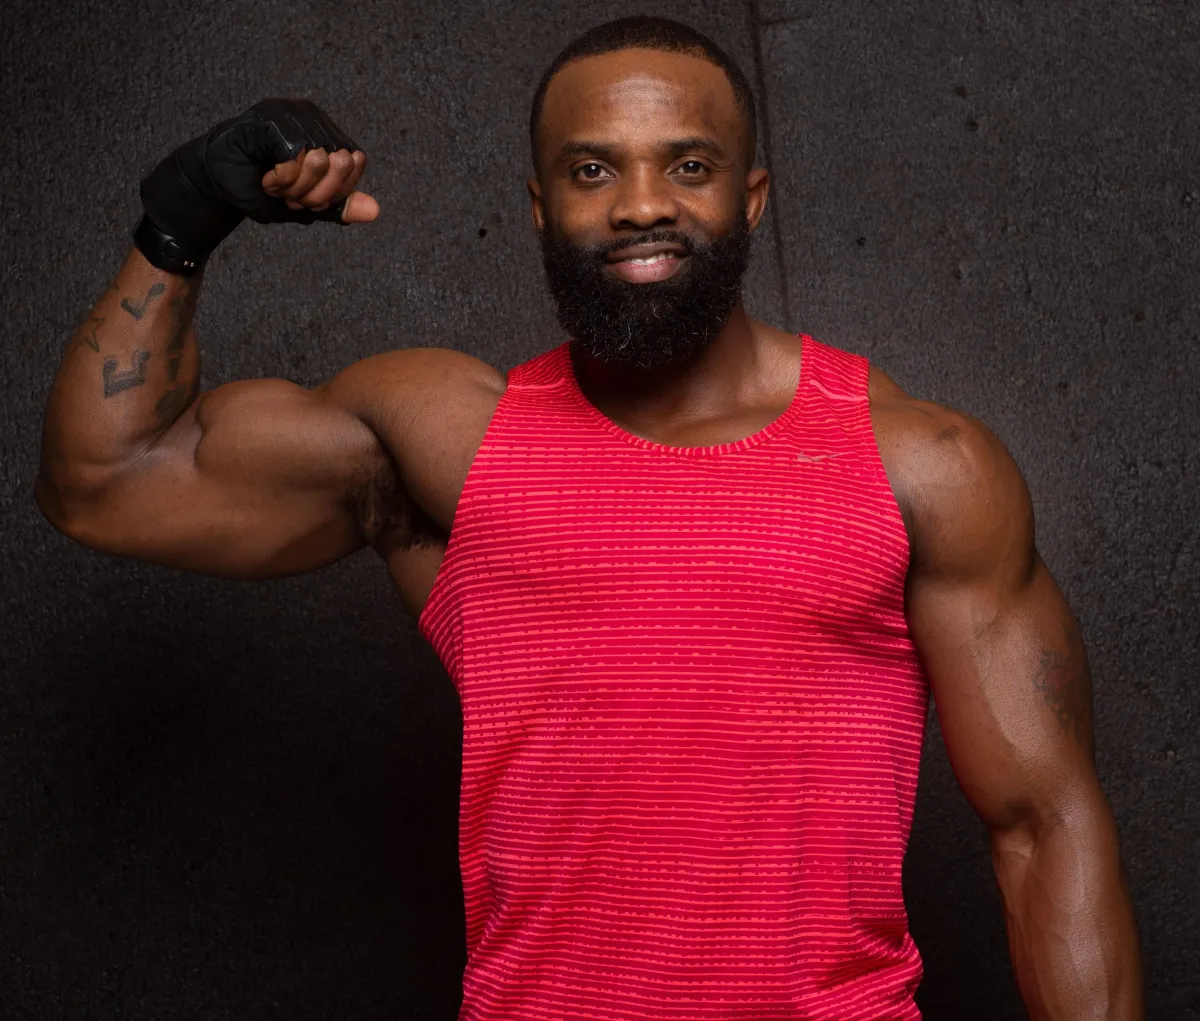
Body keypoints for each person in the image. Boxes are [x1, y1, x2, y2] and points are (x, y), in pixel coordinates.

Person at [36, 15, 1142, 1021]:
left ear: (749, 198)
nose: (642, 203)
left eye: (689, 166)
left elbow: (1045, 828)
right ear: (540, 205)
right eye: (593, 168)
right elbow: (109, 480)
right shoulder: (447, 442)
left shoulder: (922, 465)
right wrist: (185, 216)